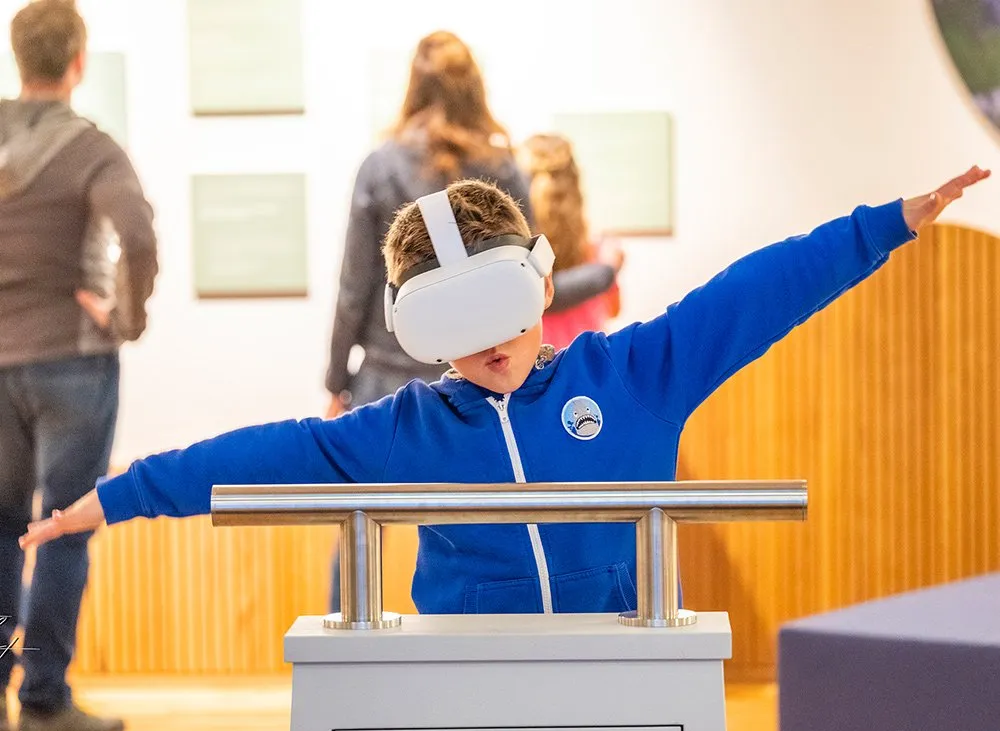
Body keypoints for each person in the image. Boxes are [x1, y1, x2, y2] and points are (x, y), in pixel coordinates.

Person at [18, 168, 989, 622]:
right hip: (460, 675)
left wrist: (885, 225)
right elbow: (256, 455)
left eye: (500, 313)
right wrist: (115, 497)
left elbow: (759, 289)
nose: (488, 347)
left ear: (538, 284)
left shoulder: (636, 374)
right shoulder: (402, 433)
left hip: (624, 658)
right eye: (456, 327)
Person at [323, 30, 619, 610]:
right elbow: (530, 287)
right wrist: (604, 274)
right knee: (490, 528)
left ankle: (348, 658)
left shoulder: (379, 167)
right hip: (478, 377)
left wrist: (337, 380)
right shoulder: (500, 167)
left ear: (414, 85)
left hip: (385, 377)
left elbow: (354, 289)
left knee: (358, 528)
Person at [0, 1, 158, 731]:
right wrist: (125, 317)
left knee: (0, 530)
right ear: (77, 62)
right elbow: (137, 234)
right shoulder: (92, 148)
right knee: (62, 530)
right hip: (71, 361)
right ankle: (43, 704)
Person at [519, 133, 625, 350]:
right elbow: (613, 309)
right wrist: (611, 267)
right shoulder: (599, 252)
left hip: (531, 372)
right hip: (587, 368)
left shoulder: (518, 253)